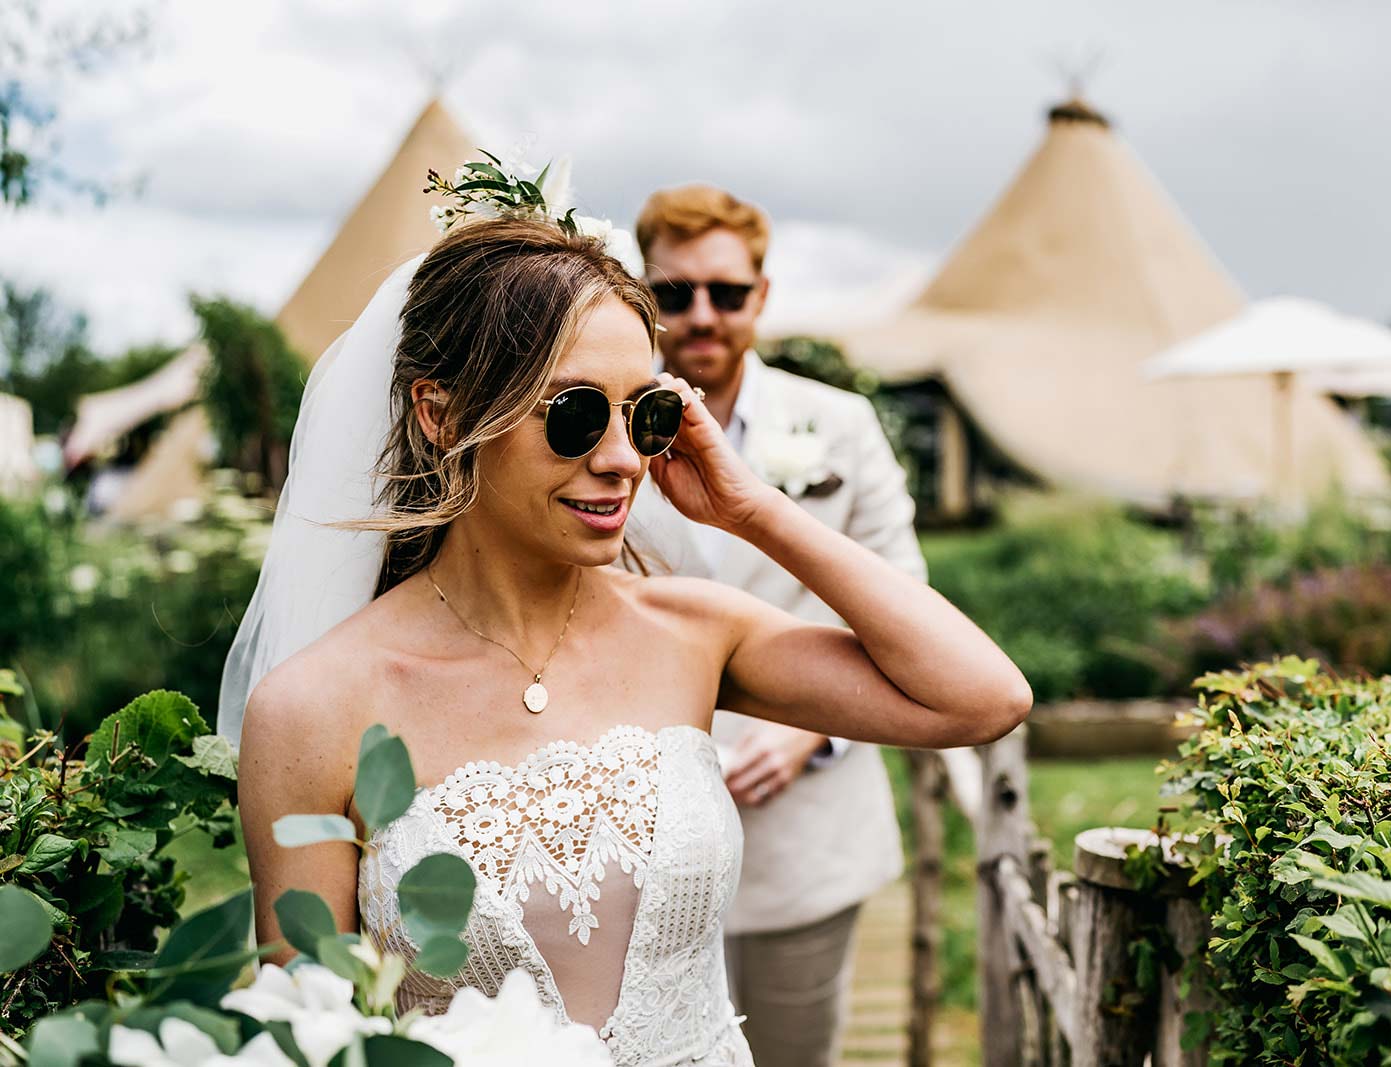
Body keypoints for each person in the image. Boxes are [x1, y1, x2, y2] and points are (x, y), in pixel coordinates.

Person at [225, 176, 1030, 1067]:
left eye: (643, 414)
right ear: (441, 413)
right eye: (572, 414)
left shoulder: (692, 629)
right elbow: (310, 1039)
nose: (619, 460)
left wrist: (753, 508)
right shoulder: (313, 709)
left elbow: (983, 698)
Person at [637, 183, 922, 1067]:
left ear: (761, 296)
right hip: (640, 841)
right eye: (675, 292)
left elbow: (901, 594)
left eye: (726, 292)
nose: (702, 314)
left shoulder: (839, 425)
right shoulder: (596, 429)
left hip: (805, 832)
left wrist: (807, 733)